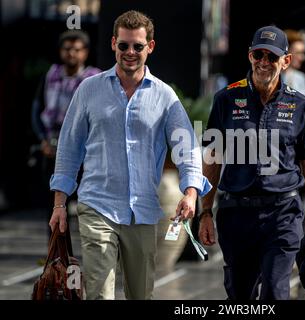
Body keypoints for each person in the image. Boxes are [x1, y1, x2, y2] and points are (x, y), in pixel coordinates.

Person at [48, 10, 211, 300]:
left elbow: (187, 147)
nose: (130, 52)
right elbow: (69, 147)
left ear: (150, 46)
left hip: (143, 211)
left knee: (140, 294)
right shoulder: (89, 90)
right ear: (113, 44)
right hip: (96, 205)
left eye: (138, 46)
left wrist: (190, 192)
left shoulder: (164, 96)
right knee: (100, 293)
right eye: (124, 45)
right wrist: (59, 204)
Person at [198, 26, 305, 300]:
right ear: (249, 56)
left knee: (275, 290)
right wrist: (205, 211)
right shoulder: (226, 99)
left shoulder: (301, 106)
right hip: (236, 213)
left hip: (282, 213)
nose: (263, 62)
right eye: (257, 54)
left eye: (271, 57)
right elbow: (213, 157)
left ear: (286, 61)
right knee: (239, 296)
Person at [31, 30, 101, 237]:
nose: (71, 53)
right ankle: (56, 259)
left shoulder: (95, 79)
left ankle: (90, 257)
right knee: (54, 206)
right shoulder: (50, 75)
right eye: (67, 49)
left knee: (89, 207)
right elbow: (36, 109)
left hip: (86, 151)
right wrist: (42, 140)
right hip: (53, 147)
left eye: (76, 49)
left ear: (85, 53)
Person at [282, 29, 305, 97]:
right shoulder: (271, 77)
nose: (303, 58)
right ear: (286, 53)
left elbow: (304, 106)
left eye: (303, 53)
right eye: (298, 53)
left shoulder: (302, 78)